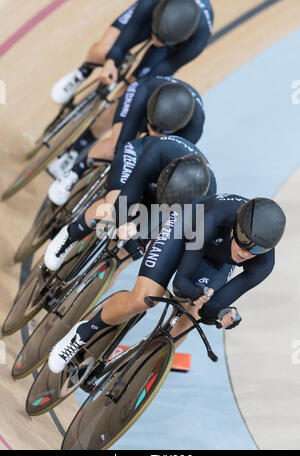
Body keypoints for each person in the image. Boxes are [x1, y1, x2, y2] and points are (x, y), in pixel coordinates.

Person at [48, 194, 286, 374]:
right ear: (236, 227)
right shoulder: (216, 216)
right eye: (243, 242)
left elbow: (210, 309)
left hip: (215, 259)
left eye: (256, 249)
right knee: (143, 299)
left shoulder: (263, 264)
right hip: (185, 229)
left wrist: (224, 312)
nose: (245, 253)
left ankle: (137, 369)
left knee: (190, 317)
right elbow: (181, 283)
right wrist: (195, 293)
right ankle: (82, 332)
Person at [44, 134, 217, 273]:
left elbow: (177, 231)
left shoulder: (205, 197)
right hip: (140, 160)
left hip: (167, 202)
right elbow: (129, 195)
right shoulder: (159, 152)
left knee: (130, 252)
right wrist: (124, 221)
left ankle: (91, 285)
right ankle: (71, 234)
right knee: (113, 211)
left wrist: (148, 235)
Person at [48, 77, 206, 206]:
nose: (152, 132)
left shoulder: (193, 130)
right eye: (152, 127)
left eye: (160, 132)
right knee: (116, 146)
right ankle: (74, 172)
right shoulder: (143, 93)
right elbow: (124, 143)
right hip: (143, 102)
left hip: (168, 132)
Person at [51, 0, 214, 105]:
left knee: (130, 96)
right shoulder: (150, 4)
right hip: (151, 17)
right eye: (155, 36)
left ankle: (77, 146)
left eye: (162, 41)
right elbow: (126, 35)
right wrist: (111, 61)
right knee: (104, 50)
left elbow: (159, 72)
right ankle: (83, 72)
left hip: (170, 49)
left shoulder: (197, 42)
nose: (155, 42)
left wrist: (124, 95)